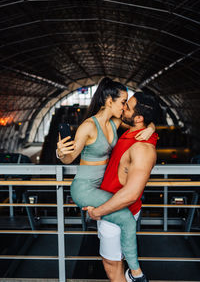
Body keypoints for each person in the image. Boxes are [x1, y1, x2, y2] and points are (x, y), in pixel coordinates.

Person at [56, 77, 155, 276]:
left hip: (99, 188)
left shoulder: (115, 122)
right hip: (84, 188)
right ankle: (136, 274)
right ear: (109, 101)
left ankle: (131, 270)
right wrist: (61, 153)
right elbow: (70, 158)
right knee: (126, 219)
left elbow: (140, 121)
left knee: (124, 217)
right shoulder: (88, 127)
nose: (125, 106)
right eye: (123, 102)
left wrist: (151, 128)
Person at [84, 92, 158, 282]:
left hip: (116, 211)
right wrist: (151, 126)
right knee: (114, 260)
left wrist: (98, 212)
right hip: (110, 205)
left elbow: (131, 194)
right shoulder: (134, 130)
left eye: (128, 106)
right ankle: (133, 276)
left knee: (111, 264)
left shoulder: (143, 149)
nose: (123, 107)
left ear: (138, 117)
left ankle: (134, 277)